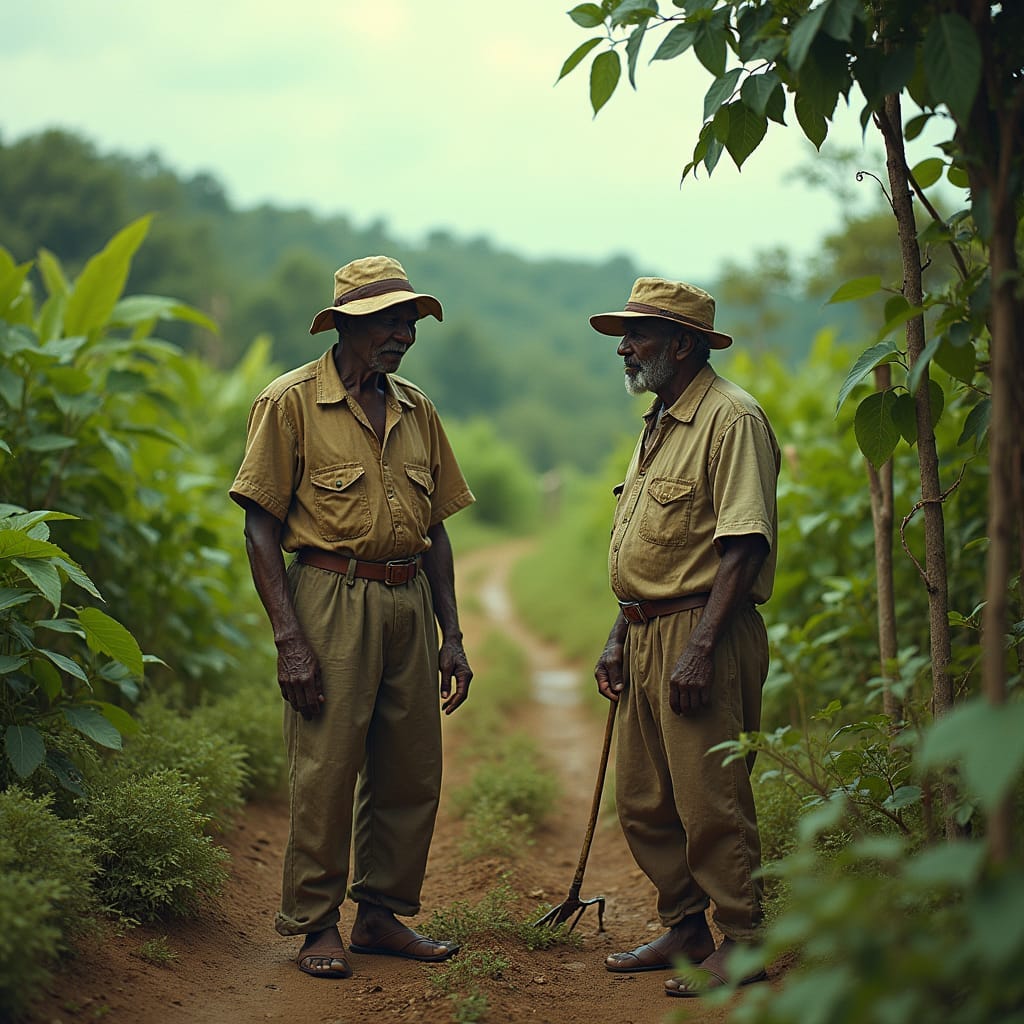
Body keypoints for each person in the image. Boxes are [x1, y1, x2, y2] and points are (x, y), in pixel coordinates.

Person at [230, 255, 475, 979]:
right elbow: (259, 530)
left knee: (410, 769)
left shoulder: (416, 407)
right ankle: (314, 925)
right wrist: (289, 642)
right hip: (328, 600)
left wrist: (451, 633)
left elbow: (437, 528)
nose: (404, 333)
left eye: (410, 320)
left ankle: (380, 916)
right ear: (346, 325)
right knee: (327, 766)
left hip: (408, 602)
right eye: (390, 320)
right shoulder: (290, 402)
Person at [589, 277, 780, 998]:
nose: (624, 348)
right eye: (622, 335)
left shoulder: (732, 420)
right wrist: (618, 634)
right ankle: (686, 926)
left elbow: (743, 546)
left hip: (703, 634)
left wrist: (701, 646)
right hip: (644, 634)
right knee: (643, 798)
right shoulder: (661, 421)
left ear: (682, 344)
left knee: (709, 798)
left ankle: (746, 940)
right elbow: (652, 547)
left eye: (636, 336)